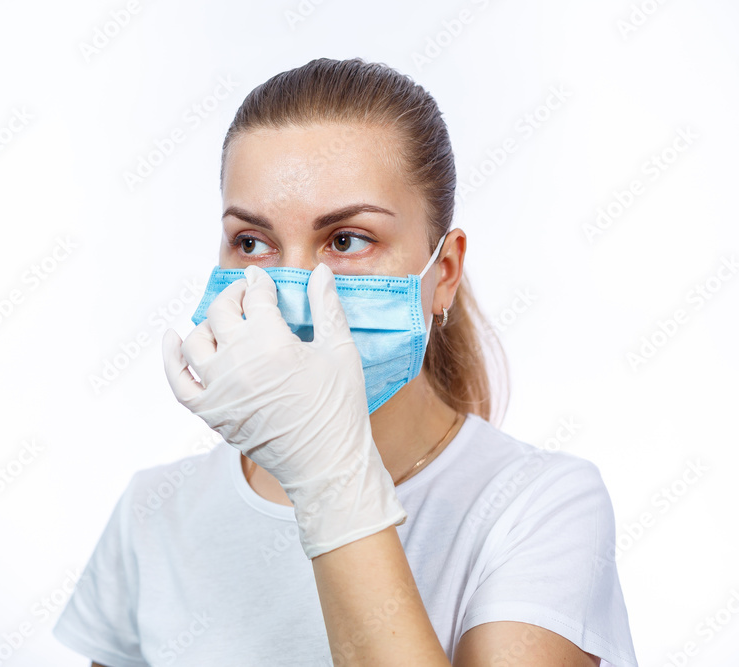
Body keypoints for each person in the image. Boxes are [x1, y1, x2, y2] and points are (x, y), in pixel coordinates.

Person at [53, 57, 637, 666]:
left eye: (347, 240)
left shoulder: (537, 508)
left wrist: (330, 479)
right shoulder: (155, 515)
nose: (295, 285)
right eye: (251, 243)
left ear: (445, 273)